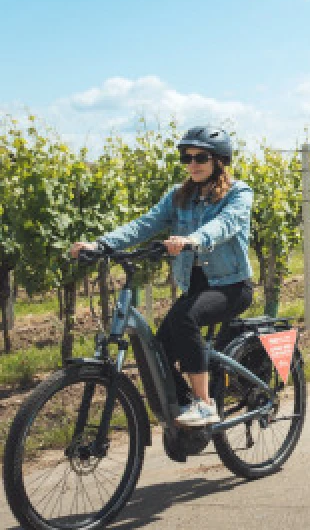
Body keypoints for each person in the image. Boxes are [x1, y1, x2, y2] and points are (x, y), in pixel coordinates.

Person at [70, 126, 254, 427]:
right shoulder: (179, 196)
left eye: (200, 157)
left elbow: (225, 224)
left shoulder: (239, 193)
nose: (192, 163)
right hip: (195, 288)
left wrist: (193, 239)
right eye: (187, 157)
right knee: (158, 352)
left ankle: (205, 404)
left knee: (184, 318)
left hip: (231, 286)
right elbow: (145, 224)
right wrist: (101, 244)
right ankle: (183, 413)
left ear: (219, 161)